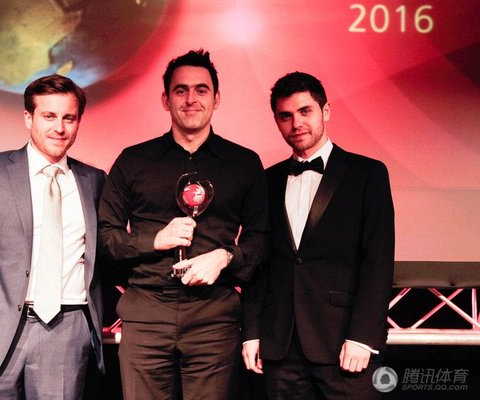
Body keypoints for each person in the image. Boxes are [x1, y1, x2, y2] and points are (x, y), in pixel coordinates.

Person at [98, 49, 268, 400]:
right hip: (147, 314)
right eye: (181, 90)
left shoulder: (244, 163)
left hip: (214, 317)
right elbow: (105, 237)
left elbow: (261, 239)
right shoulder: (133, 160)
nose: (191, 99)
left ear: (216, 99)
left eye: (201, 90)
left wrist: (224, 256)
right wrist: (154, 240)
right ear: (166, 99)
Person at [0, 74, 106, 399]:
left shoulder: (94, 180)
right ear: (28, 118)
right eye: (49, 116)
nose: (59, 127)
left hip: (66, 332)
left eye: (69, 118)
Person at [242, 72, 395, 399]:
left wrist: (362, 337)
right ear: (276, 121)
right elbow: (258, 262)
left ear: (325, 111)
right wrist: (251, 332)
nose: (296, 123)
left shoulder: (367, 173)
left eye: (305, 111)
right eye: (285, 116)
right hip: (280, 347)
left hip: (343, 343)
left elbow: (378, 260)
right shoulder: (266, 181)